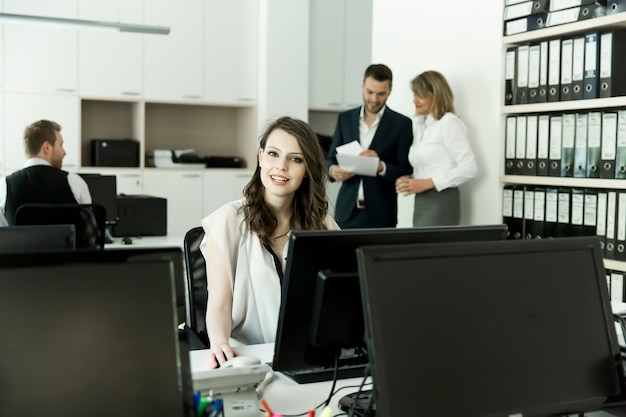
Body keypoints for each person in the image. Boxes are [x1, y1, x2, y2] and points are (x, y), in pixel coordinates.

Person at [200, 116, 340, 368]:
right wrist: (219, 343)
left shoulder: (325, 226)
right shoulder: (227, 221)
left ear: (307, 169)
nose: (281, 166)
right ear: (260, 157)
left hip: (312, 359)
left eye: (295, 159)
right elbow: (219, 303)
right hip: (249, 359)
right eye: (274, 154)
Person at [327, 63, 413, 228]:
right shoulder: (345, 118)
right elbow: (330, 158)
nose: (374, 99)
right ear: (362, 85)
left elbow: (406, 168)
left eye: (381, 94)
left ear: (390, 90)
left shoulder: (402, 124)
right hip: (347, 212)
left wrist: (380, 166)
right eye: (370, 92)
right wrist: (333, 170)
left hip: (381, 214)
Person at [395, 70, 478, 227]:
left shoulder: (448, 123)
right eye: (414, 95)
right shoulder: (421, 125)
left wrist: (428, 182)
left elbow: (469, 167)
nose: (414, 100)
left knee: (432, 249)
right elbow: (433, 166)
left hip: (442, 200)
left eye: (420, 95)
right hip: (422, 200)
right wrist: (412, 180)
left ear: (436, 95)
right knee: (421, 249)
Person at [0, 120, 92, 225]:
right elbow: (90, 233)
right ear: (47, 147)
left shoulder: (4, 187)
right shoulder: (74, 182)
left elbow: (3, 236)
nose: (64, 152)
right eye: (61, 145)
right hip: (64, 242)